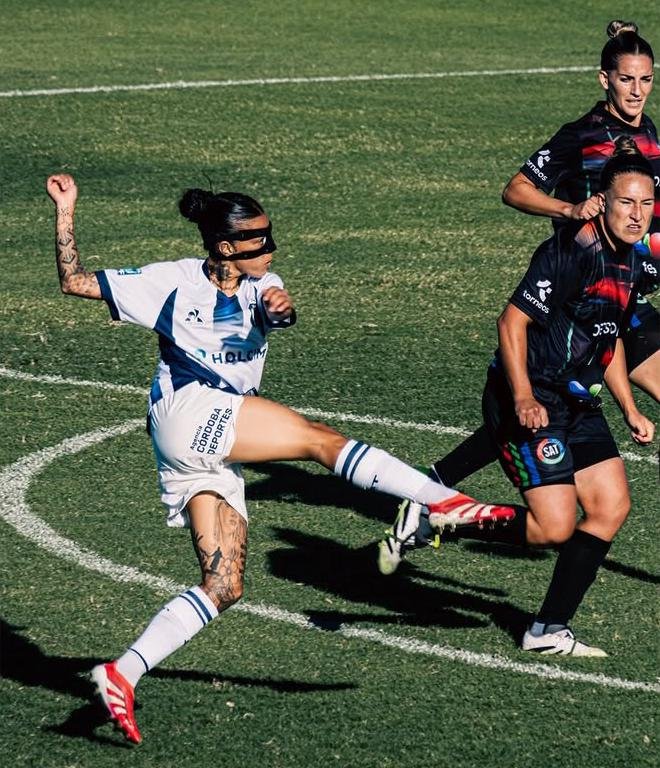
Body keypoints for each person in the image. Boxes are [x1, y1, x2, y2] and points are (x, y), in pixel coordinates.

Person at [46, 174, 515, 744]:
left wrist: (279, 308)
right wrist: (66, 210)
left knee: (223, 585)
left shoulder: (262, 281)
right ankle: (444, 501)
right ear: (224, 247)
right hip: (190, 411)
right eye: (259, 240)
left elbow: (277, 313)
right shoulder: (166, 282)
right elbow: (73, 281)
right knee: (319, 440)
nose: (271, 248)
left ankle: (123, 671)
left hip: (206, 441)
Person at [378, 19, 660, 573]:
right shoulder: (579, 136)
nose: (636, 91)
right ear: (605, 80)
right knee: (534, 412)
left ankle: (429, 487)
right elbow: (515, 189)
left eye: (645, 79)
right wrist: (568, 209)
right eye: (627, 79)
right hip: (576, 299)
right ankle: (437, 498)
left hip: (625, 296)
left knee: (529, 419)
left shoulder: (649, 133)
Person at [384, 138, 657, 656]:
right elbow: (511, 321)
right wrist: (524, 395)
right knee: (553, 527)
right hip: (534, 397)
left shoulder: (632, 263)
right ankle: (447, 515)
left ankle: (547, 629)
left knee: (611, 506)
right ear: (603, 199)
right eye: (626, 202)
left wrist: (630, 407)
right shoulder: (570, 252)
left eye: (646, 204)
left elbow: (611, 336)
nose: (637, 214)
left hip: (579, 402)